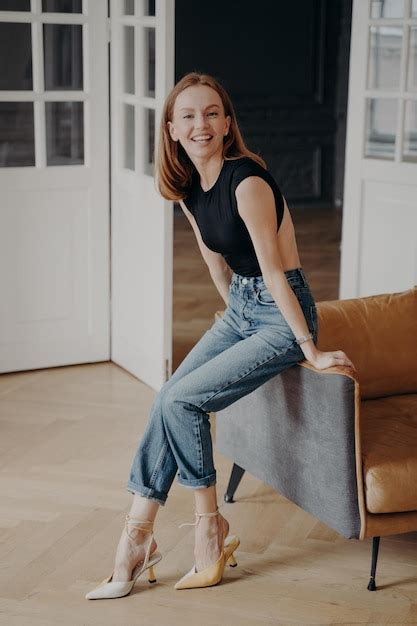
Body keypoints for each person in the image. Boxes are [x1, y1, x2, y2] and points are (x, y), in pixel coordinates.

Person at [86, 72, 356, 600]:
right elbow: (216, 263)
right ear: (171, 129)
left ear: (228, 123)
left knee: (182, 401)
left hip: (282, 314)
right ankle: (137, 537)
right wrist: (232, 320)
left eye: (211, 113)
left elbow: (275, 274)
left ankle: (208, 531)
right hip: (243, 310)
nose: (200, 124)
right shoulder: (188, 187)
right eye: (188, 116)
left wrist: (311, 350)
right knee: (168, 399)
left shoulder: (247, 180)